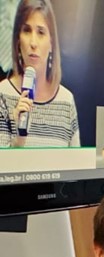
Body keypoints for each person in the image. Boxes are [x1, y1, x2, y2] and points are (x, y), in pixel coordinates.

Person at [0, 0, 79, 148]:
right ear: (18, 40)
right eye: (27, 31)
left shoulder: (66, 101)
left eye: (41, 32)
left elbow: (76, 161)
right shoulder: (2, 95)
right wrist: (19, 140)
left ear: (51, 43)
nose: (33, 43)